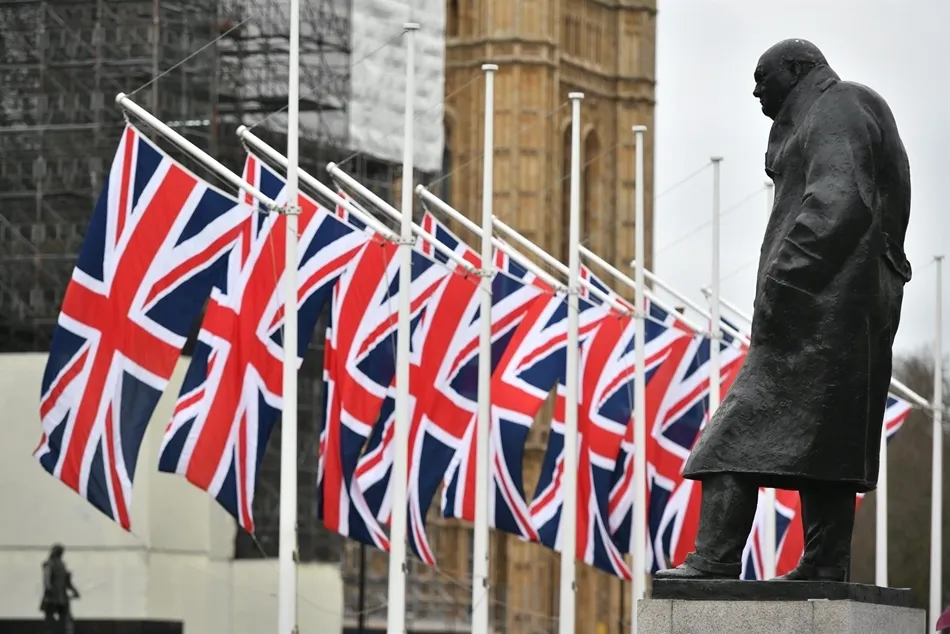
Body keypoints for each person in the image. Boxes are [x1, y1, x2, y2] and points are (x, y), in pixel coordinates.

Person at [656, 38, 912, 582]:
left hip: (819, 309)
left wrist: (782, 281)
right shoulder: (833, 110)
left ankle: (716, 559)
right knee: (831, 445)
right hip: (842, 308)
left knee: (728, 440)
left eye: (762, 77)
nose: (755, 89)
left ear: (797, 71)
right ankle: (824, 563)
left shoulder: (836, 106)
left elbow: (841, 202)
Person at [40, 543, 80, 633]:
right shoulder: (62, 565)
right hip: (62, 597)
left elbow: (46, 581)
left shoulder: (49, 564)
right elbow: (68, 582)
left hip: (51, 598)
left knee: (49, 623)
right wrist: (75, 592)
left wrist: (48, 592)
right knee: (66, 622)